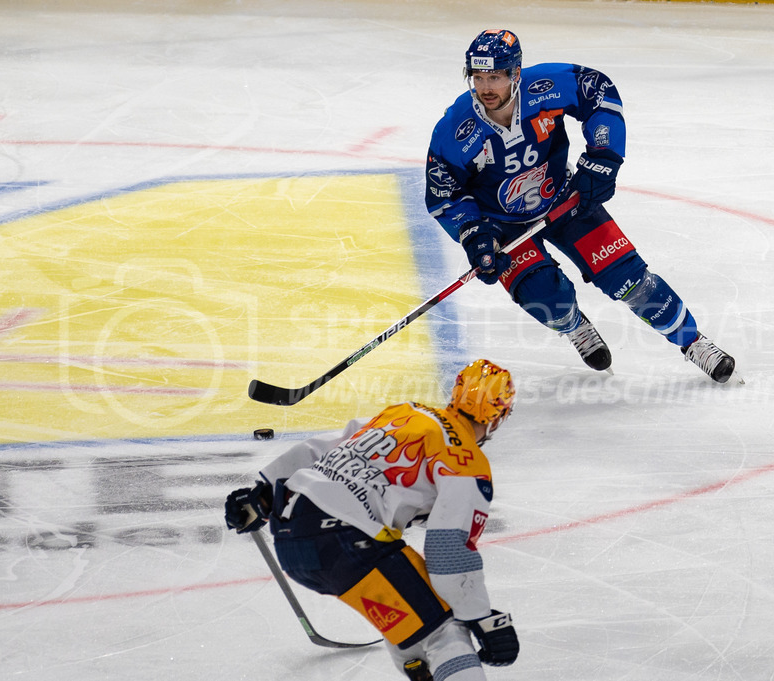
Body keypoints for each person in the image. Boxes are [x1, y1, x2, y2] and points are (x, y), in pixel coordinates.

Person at [425, 29, 736, 383]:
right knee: (546, 298)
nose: (486, 88)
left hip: (564, 200)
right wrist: (473, 233)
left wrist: (604, 155)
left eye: (495, 76)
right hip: (504, 226)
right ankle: (573, 326)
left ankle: (693, 341)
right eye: (478, 78)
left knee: (632, 281)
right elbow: (443, 194)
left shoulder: (546, 85)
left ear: (516, 73)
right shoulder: (455, 129)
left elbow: (598, 92)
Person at [224, 359, 520, 681]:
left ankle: (417, 662)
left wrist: (264, 494)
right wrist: (479, 616)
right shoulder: (467, 462)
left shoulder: (405, 412)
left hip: (292, 534)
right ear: (498, 416)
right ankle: (426, 657)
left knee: (417, 611)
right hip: (344, 544)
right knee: (445, 629)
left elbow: (326, 448)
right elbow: (448, 551)